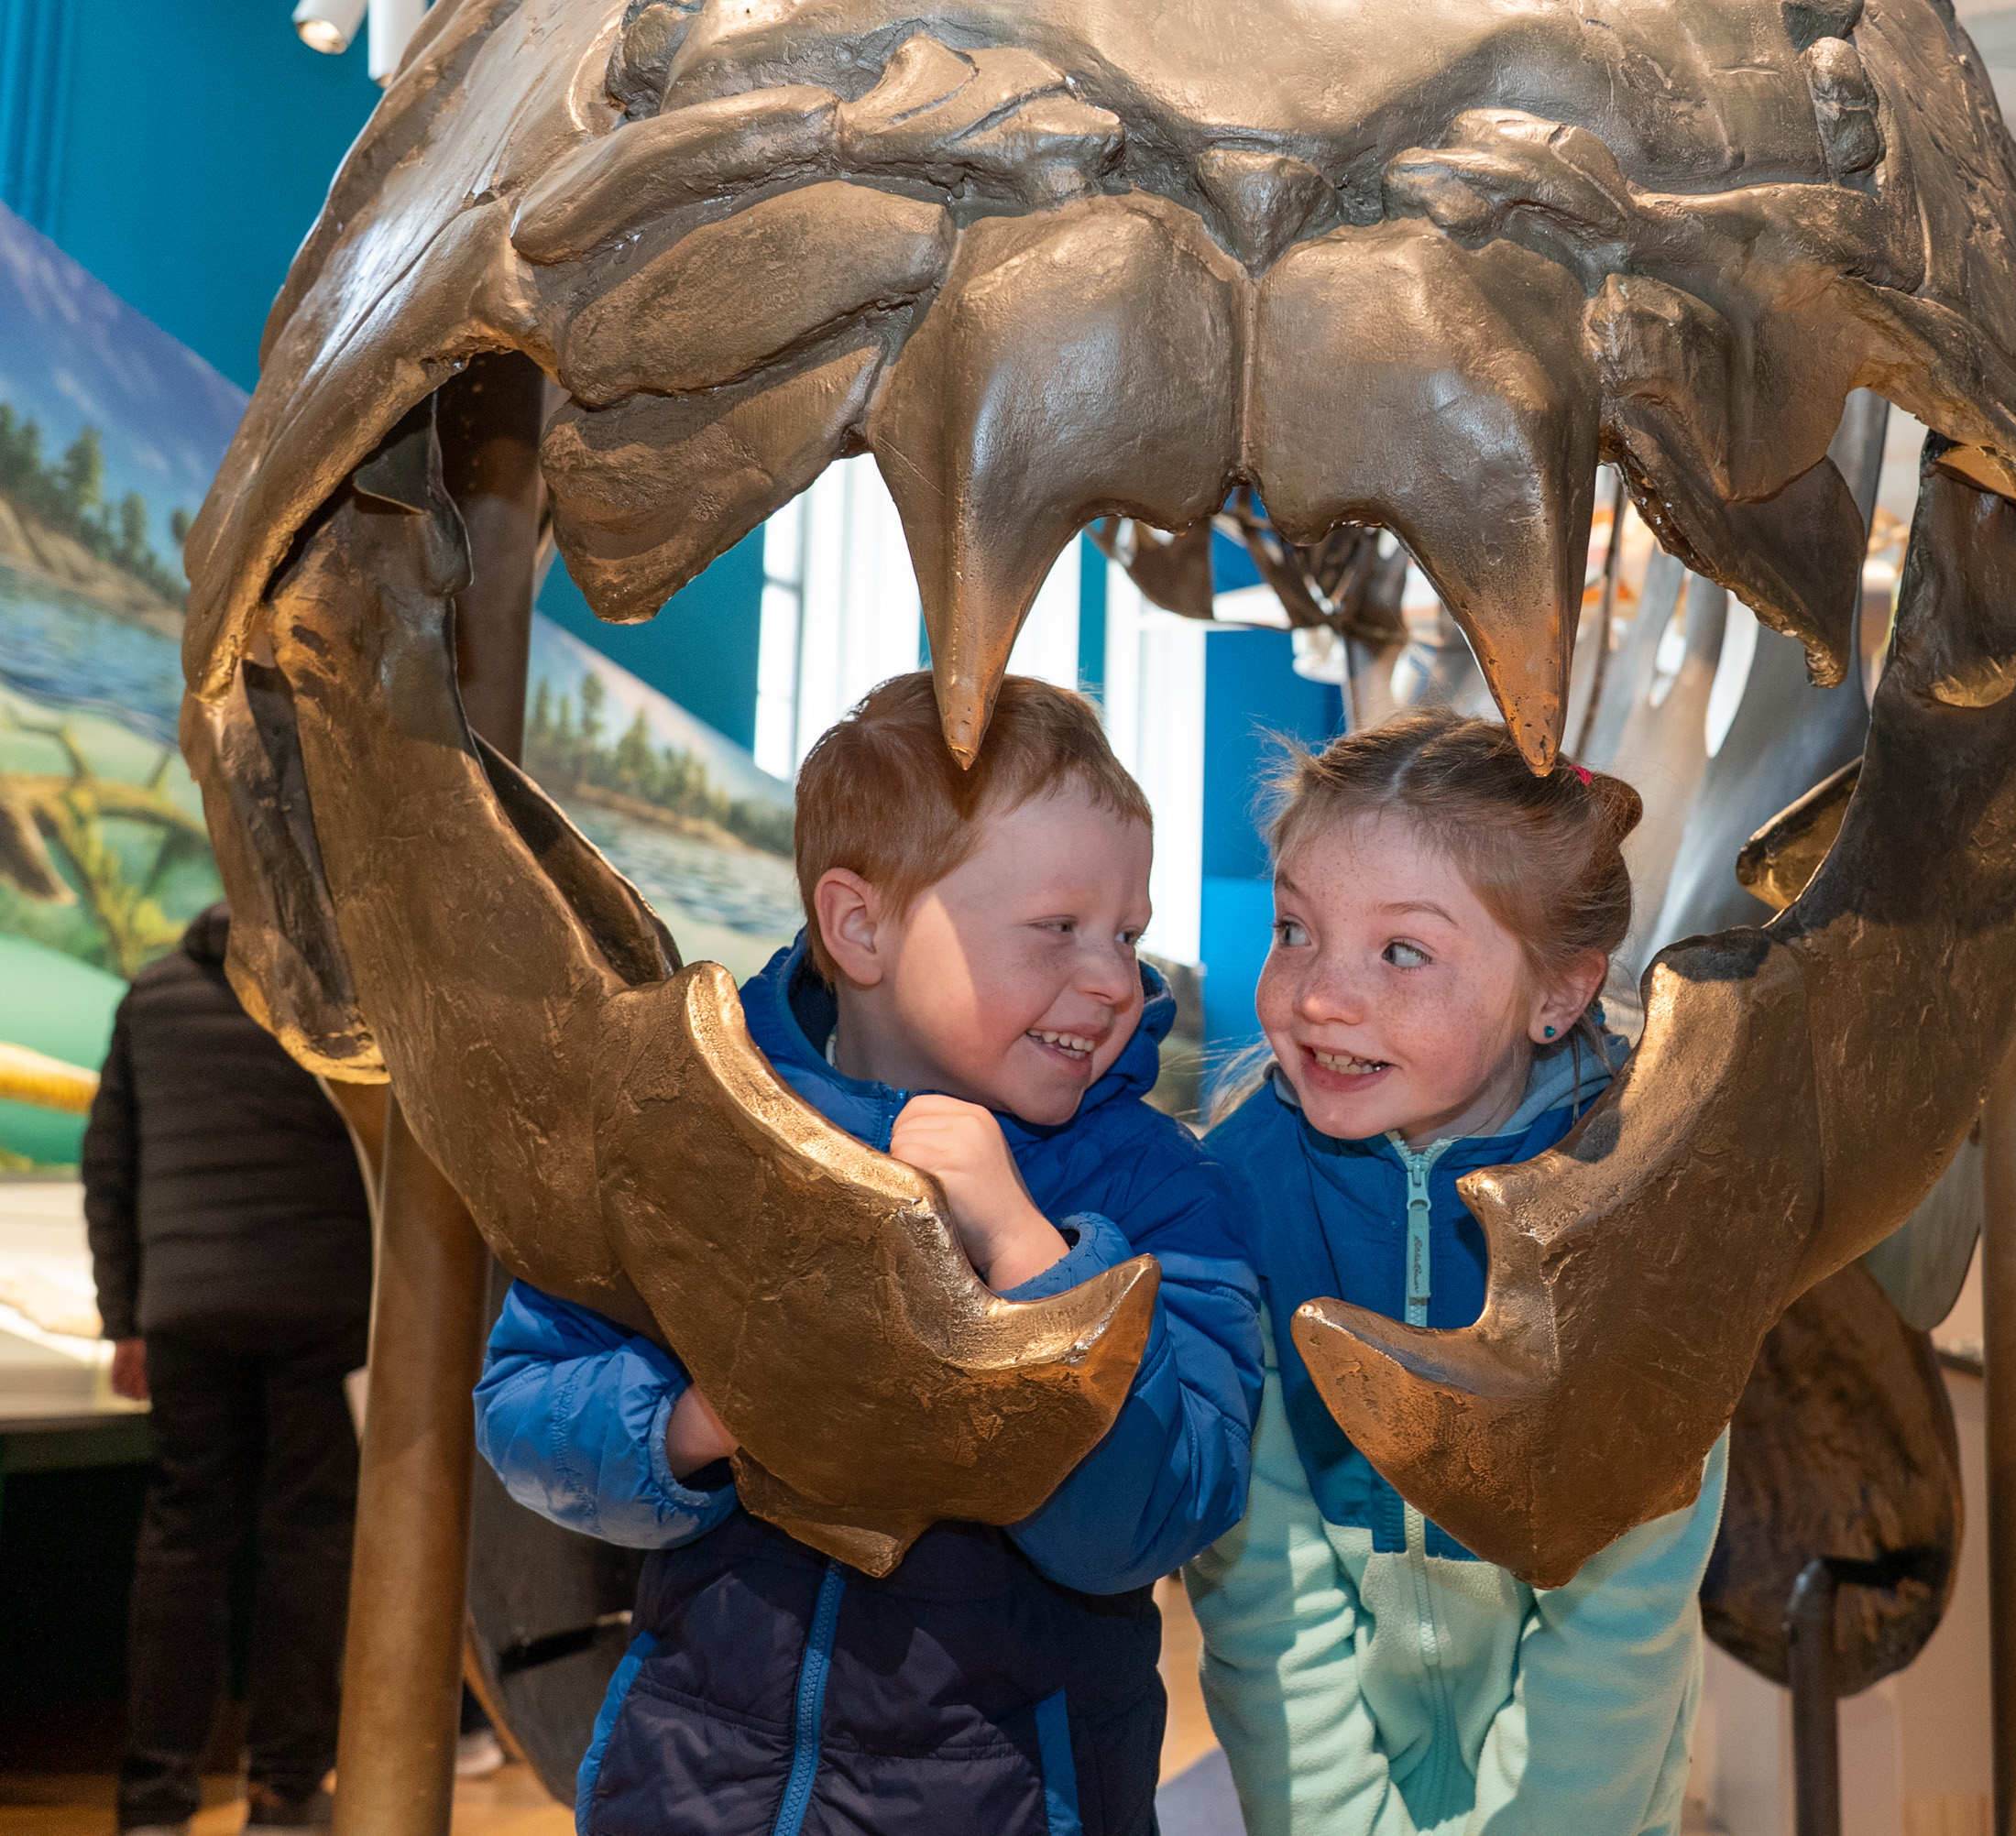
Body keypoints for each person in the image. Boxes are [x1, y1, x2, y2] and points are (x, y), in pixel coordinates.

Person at [474, 674, 1263, 1835]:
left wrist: (1025, 1252)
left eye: (1128, 936)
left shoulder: (1159, 1189)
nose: (1113, 980)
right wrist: (707, 1417)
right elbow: (524, 1405)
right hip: (694, 1786)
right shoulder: (698, 1131)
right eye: (1057, 928)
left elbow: (1157, 1517)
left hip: (1010, 1797)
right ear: (862, 927)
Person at [1190, 713, 1720, 1836]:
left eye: (1402, 951)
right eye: (1295, 930)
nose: (1318, 996)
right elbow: (1262, 1596)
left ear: (1558, 994)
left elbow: (1624, 1610)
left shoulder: (1642, 1213)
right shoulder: (1234, 1200)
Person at [82, 902, 375, 1834]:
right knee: (308, 1546)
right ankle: (285, 1791)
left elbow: (108, 1166)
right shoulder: (337, 1002)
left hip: (187, 1314)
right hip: (319, 1309)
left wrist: (125, 1315)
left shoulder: (152, 996)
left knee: (183, 1543)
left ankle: (155, 1796)